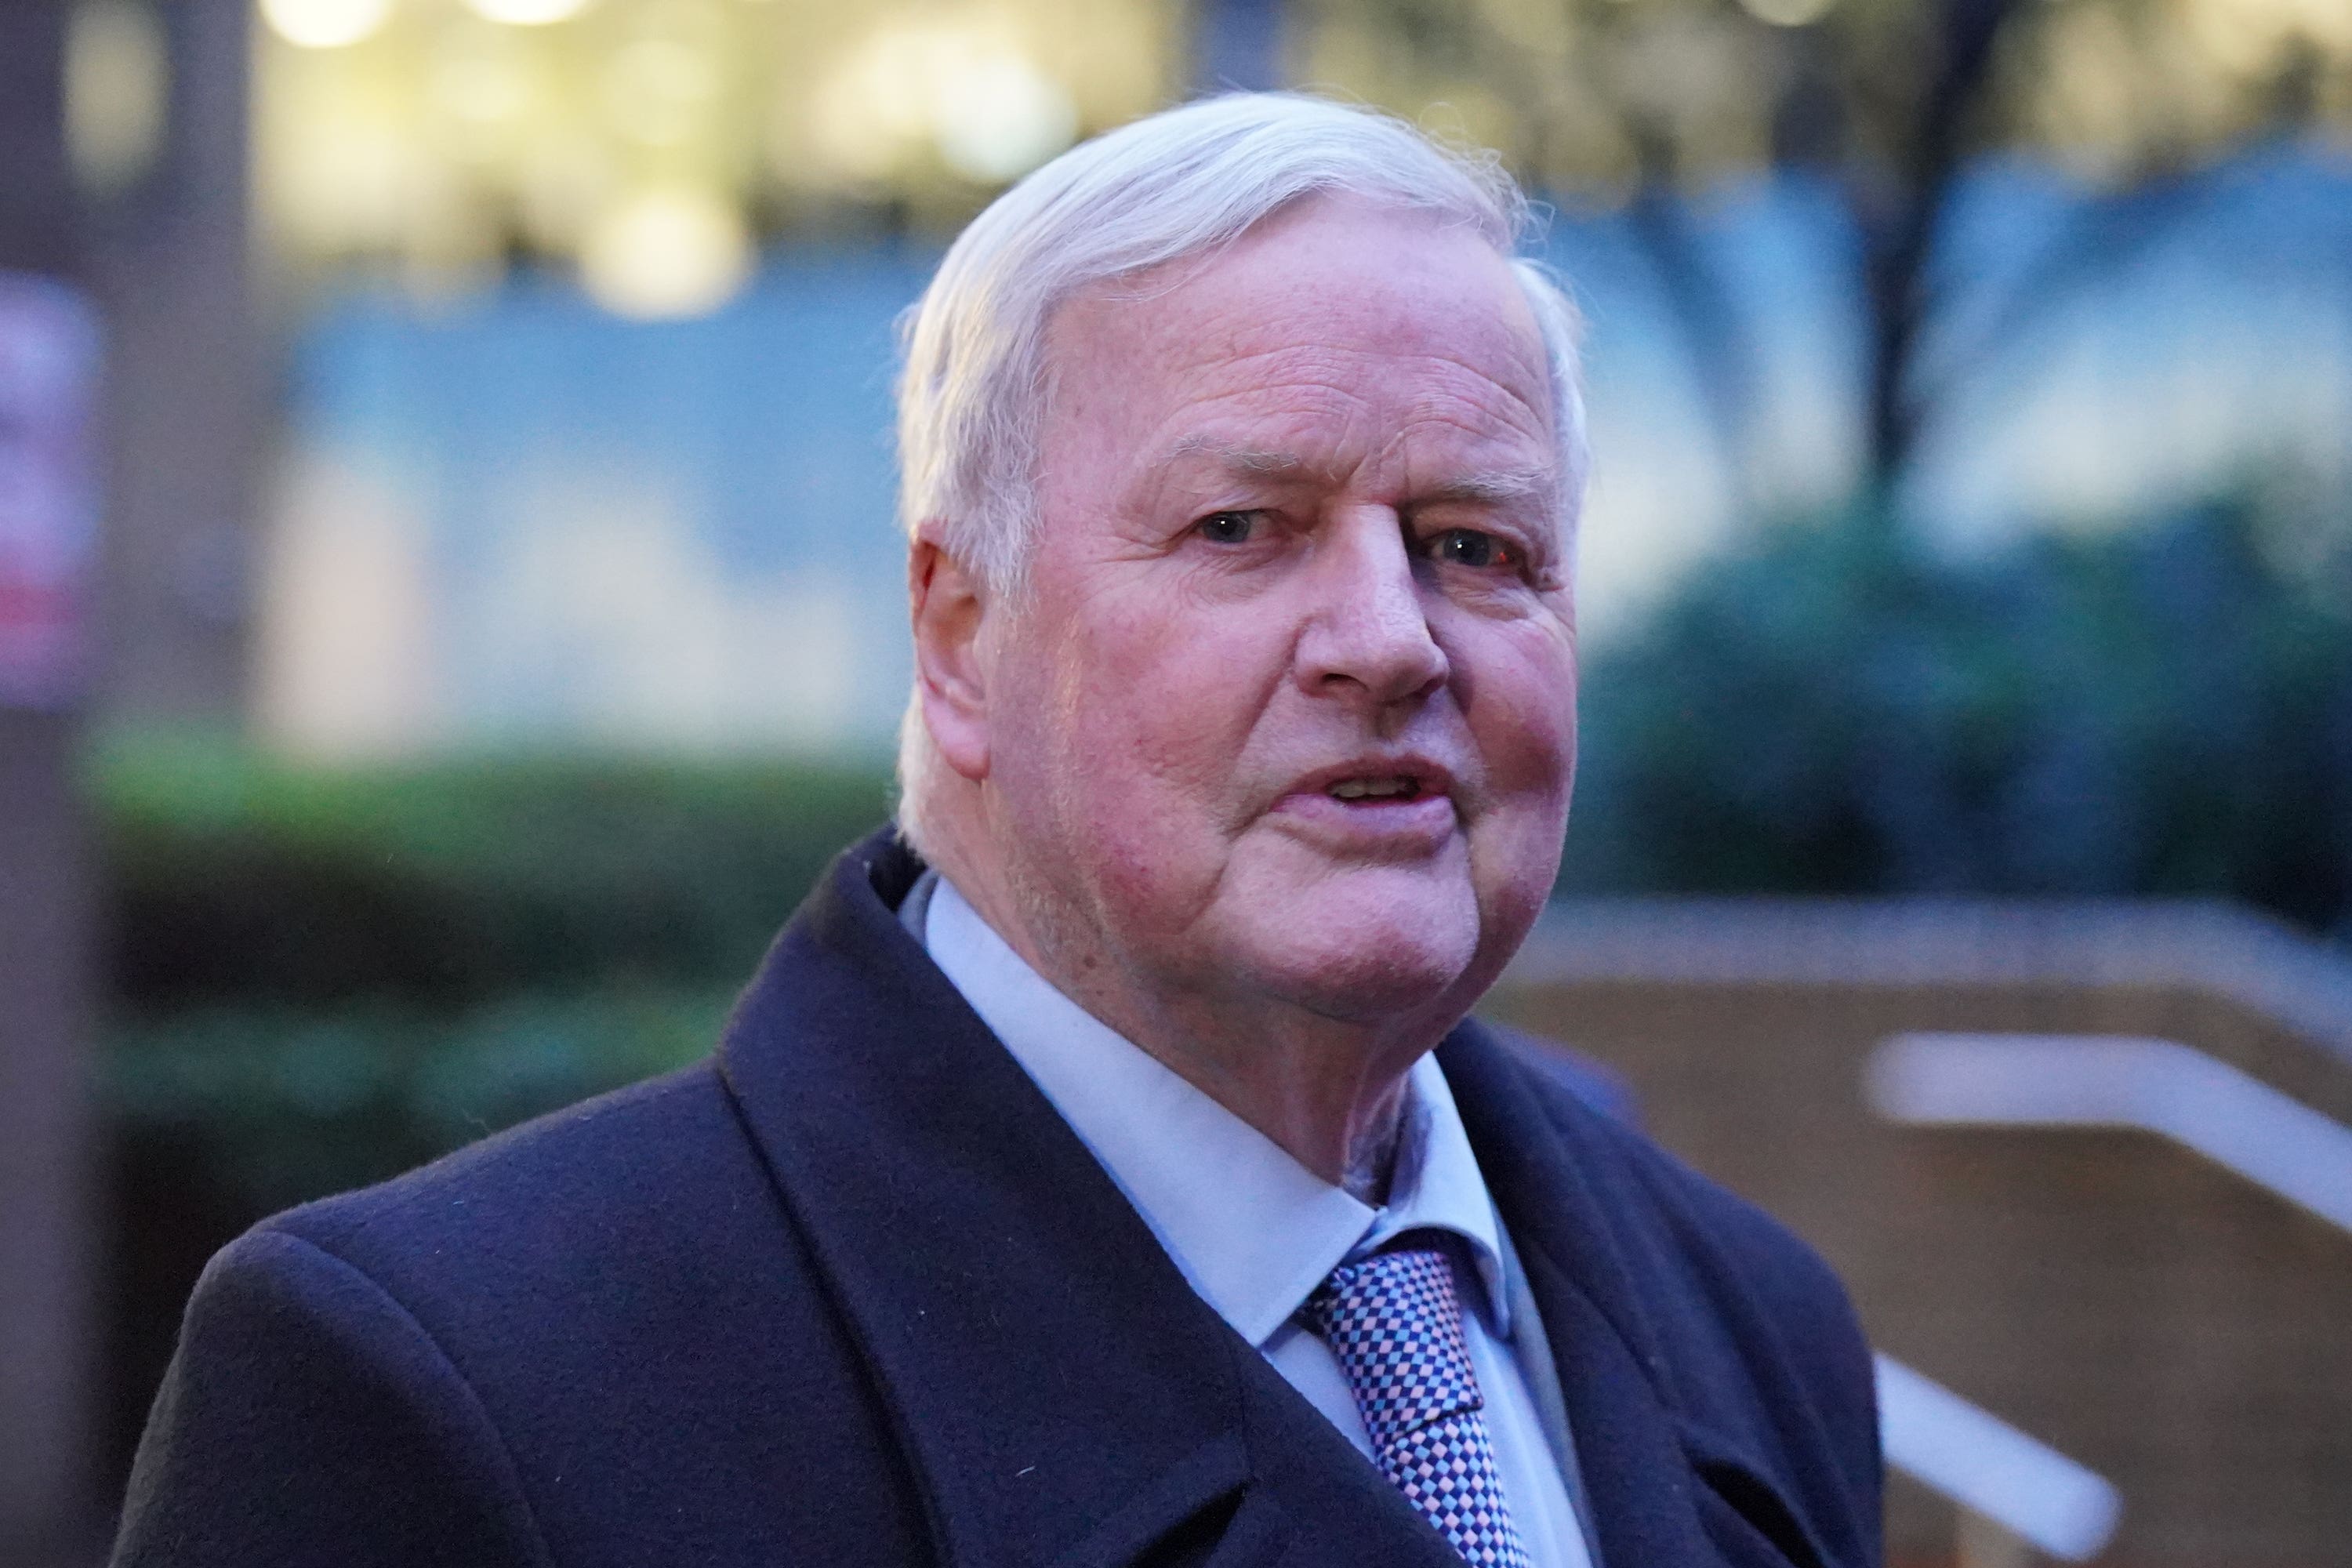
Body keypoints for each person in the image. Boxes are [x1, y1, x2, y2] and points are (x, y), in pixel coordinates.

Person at [112, 94, 1881, 1568]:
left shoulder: (1756, 1322)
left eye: (1474, 545)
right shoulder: (452, 1389)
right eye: (1244, 528)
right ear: (960, 633)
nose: (1392, 636)